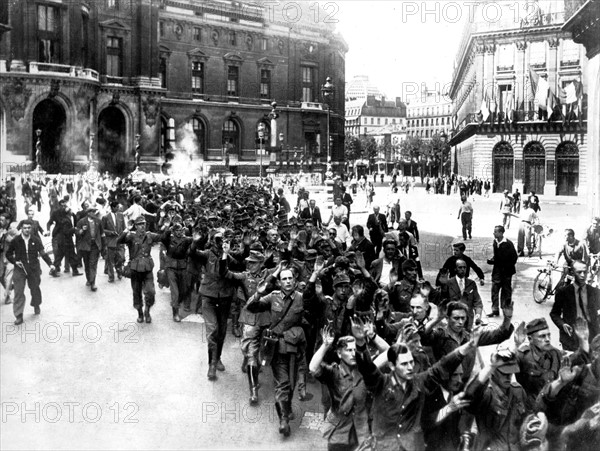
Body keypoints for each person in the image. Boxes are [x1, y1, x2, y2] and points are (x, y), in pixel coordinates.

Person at [353, 315, 479, 451]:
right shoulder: (380, 383)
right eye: (404, 364)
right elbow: (367, 369)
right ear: (392, 366)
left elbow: (442, 366)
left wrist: (467, 347)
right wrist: (360, 344)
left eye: (411, 362)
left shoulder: (419, 382)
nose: (410, 367)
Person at [245, 268, 306, 437]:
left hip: (294, 346)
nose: (287, 281)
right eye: (284, 278)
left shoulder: (301, 298)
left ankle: (287, 406)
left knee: (291, 383)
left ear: (294, 280)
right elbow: (251, 307)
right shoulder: (273, 297)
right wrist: (257, 294)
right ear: (279, 282)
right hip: (276, 346)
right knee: (282, 383)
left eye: (290, 278)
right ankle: (283, 420)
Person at [190, 229, 238, 380]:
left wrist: (228, 252)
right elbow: (192, 253)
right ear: (212, 241)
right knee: (212, 330)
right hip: (209, 297)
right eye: (218, 240)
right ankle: (211, 364)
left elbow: (239, 263)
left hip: (224, 297)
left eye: (223, 240)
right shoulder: (207, 254)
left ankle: (218, 358)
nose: (220, 244)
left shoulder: (229, 256)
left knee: (222, 331)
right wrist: (195, 242)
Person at [464, 344, 528, 450]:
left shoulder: (518, 391)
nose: (509, 377)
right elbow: (469, 396)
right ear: (493, 371)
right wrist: (491, 366)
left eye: (511, 372)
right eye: (504, 373)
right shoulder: (485, 394)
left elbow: (526, 420)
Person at [5, 219, 55, 325]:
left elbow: (43, 253)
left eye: (28, 228)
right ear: (21, 229)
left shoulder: (36, 240)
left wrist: (50, 264)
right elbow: (8, 254)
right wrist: (15, 262)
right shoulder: (16, 241)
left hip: (33, 269)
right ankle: (18, 315)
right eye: (24, 228)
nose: (27, 230)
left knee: (35, 288)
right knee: (18, 292)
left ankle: (36, 304)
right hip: (20, 269)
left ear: (31, 228)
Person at [117, 216, 163, 324]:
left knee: (150, 292)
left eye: (144, 224)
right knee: (136, 292)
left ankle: (147, 310)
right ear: (136, 226)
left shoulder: (149, 235)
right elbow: (119, 241)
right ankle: (140, 313)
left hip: (147, 268)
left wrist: (165, 226)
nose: (143, 226)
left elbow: (162, 237)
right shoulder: (131, 236)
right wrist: (127, 229)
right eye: (140, 224)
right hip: (135, 269)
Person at [513, 318, 563, 410]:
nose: (547, 339)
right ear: (530, 339)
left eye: (549, 335)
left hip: (553, 407)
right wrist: (516, 345)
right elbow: (505, 367)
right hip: (532, 408)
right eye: (542, 336)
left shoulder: (555, 353)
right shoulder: (522, 355)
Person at [550, 260, 600, 351]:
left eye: (585, 272)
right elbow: (554, 313)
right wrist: (563, 324)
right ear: (572, 273)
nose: (582, 275)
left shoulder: (595, 292)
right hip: (571, 335)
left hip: (591, 334)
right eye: (579, 272)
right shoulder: (563, 292)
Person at [162, 223, 193, 322]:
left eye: (181, 230)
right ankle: (175, 313)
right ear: (173, 231)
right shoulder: (169, 240)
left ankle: (176, 303)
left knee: (183, 291)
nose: (179, 232)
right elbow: (163, 238)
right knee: (175, 292)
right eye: (177, 230)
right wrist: (168, 229)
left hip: (183, 267)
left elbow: (197, 241)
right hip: (171, 267)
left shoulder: (186, 240)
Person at [442, 259, 483, 330]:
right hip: (453, 321)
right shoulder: (448, 284)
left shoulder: (471, 284)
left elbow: (477, 302)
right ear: (455, 269)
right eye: (460, 267)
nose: (463, 270)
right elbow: (443, 303)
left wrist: (478, 315)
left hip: (468, 321)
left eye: (464, 267)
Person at [487, 225, 518, 317]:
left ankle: (505, 308)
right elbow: (497, 256)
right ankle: (495, 309)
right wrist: (493, 260)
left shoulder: (508, 244)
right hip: (497, 271)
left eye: (496, 232)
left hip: (506, 272)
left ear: (501, 233)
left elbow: (514, 257)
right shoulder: (495, 242)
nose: (494, 233)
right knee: (494, 290)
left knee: (506, 291)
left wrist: (506, 266)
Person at [76, 207, 105, 292]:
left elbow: (102, 233)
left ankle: (93, 283)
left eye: (94, 212)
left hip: (95, 246)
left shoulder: (98, 221)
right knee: (87, 264)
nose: (94, 213)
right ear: (88, 213)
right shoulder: (82, 221)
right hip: (85, 246)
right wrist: (82, 230)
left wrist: (103, 245)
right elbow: (77, 232)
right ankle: (89, 279)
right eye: (92, 212)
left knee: (93, 264)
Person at [101, 201, 126, 282]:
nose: (118, 209)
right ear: (112, 207)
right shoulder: (105, 217)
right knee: (110, 261)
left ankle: (119, 272)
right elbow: (102, 230)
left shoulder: (121, 215)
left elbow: (124, 227)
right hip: (110, 241)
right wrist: (110, 232)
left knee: (121, 258)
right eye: (117, 207)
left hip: (120, 241)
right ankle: (111, 277)